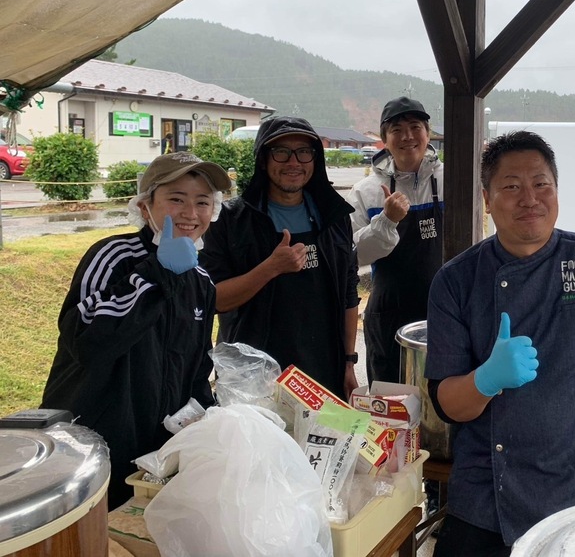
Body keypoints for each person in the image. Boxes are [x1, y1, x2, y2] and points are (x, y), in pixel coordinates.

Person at [425, 131, 575, 555]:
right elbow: (445, 404)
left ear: (556, 190)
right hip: (485, 496)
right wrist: (485, 380)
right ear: (487, 198)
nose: (529, 198)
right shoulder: (456, 281)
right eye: (511, 186)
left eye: (541, 184)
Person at [42, 152, 232, 509]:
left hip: (158, 449)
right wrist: (156, 273)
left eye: (203, 202)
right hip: (93, 441)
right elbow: (87, 342)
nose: (191, 214)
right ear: (146, 208)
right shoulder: (113, 255)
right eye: (176, 199)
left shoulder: (201, 281)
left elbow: (194, 368)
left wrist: (206, 421)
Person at [200, 116, 361, 399]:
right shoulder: (230, 220)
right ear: (263, 160)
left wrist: (348, 362)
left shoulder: (334, 216)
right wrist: (271, 268)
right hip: (254, 373)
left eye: (303, 152)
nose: (293, 162)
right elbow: (214, 299)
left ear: (315, 159)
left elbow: (349, 293)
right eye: (281, 152)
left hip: (324, 368)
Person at [347, 96, 443, 383]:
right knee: (389, 397)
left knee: (441, 395)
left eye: (415, 127)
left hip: (444, 307)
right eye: (397, 130)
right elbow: (353, 255)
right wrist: (386, 220)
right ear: (384, 139)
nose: (407, 137)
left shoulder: (453, 180)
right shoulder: (366, 191)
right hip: (388, 310)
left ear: (428, 134)